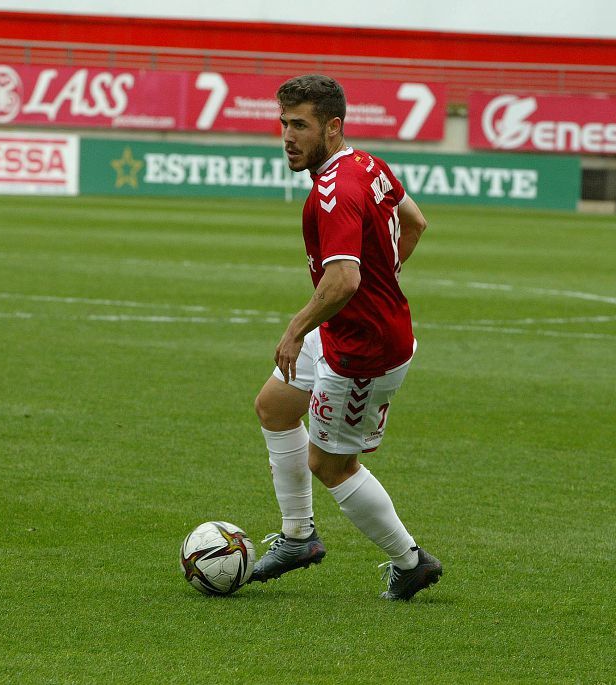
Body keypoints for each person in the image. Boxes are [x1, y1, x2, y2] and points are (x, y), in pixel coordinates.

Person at [250, 74, 441, 601]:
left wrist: (295, 329)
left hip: (364, 350)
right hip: (344, 328)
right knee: (275, 407)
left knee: (331, 465)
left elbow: (343, 280)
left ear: (332, 128)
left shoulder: (334, 191)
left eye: (300, 125)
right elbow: (416, 222)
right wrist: (386, 277)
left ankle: (411, 561)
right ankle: (297, 537)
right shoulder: (367, 164)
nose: (288, 136)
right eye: (284, 123)